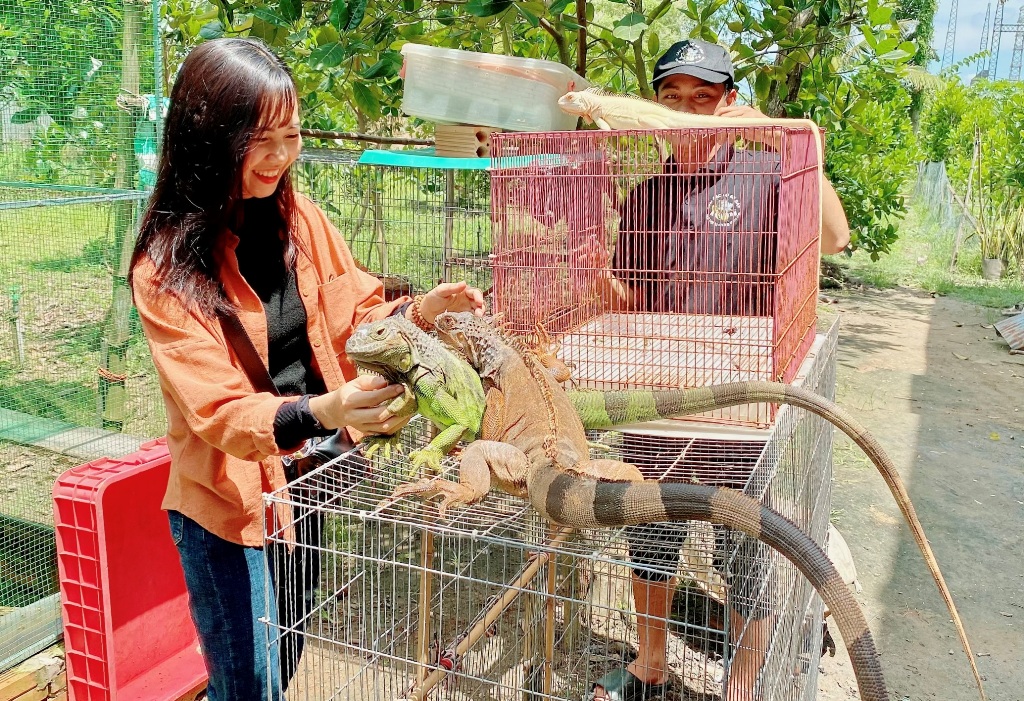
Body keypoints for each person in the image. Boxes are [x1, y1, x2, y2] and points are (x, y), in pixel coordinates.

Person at [128, 38, 485, 701]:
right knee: (250, 681)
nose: (280, 156)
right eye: (259, 139)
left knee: (287, 652)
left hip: (308, 480)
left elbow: (358, 313)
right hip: (230, 506)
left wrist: (422, 311)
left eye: (290, 135)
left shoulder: (300, 218)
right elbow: (221, 414)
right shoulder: (165, 269)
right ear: (209, 139)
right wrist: (324, 410)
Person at [590, 39, 850, 701]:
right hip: (660, 394)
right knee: (649, 537)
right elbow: (629, 292)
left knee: (745, 553)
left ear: (727, 103)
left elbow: (836, 235)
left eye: (701, 100)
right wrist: (592, 277)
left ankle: (740, 685)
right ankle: (650, 664)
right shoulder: (647, 195)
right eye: (671, 100)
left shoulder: (767, 173)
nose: (685, 115)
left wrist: (775, 133)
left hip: (740, 398)